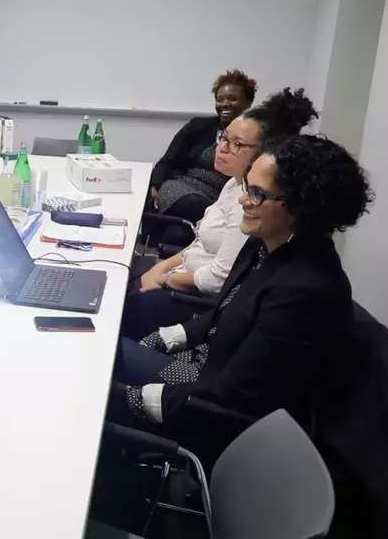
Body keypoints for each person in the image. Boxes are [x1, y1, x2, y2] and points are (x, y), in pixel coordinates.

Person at [112, 134, 372, 441]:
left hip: (212, 411)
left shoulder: (305, 291)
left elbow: (234, 396)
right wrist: (166, 338)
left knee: (99, 372)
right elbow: (224, 313)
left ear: (302, 206)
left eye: (258, 193)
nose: (243, 199)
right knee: (106, 351)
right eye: (248, 186)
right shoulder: (265, 245)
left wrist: (130, 398)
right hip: (208, 373)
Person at [123, 88, 317, 338]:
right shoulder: (234, 183)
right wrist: (160, 270)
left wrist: (165, 278)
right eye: (224, 138)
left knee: (113, 313)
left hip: (194, 299)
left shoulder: (248, 205)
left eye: (236, 144)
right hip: (181, 277)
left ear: (263, 153)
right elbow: (198, 245)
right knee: (114, 283)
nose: (222, 148)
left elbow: (219, 279)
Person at [149, 69, 257, 243]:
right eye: (220, 99)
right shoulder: (198, 126)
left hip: (220, 196)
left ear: (248, 102)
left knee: (177, 235)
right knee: (195, 205)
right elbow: (169, 159)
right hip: (181, 189)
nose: (225, 104)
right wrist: (154, 185)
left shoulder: (254, 136)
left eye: (232, 98)